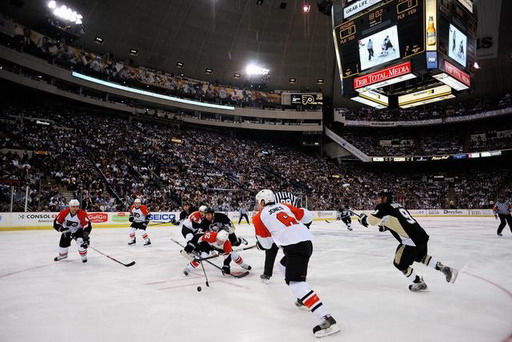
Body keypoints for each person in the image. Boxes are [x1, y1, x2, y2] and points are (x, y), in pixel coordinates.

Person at [252, 189, 340, 338]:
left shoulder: (258, 217)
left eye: (258, 203)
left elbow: (267, 245)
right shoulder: (284, 205)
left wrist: (260, 244)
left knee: (296, 283)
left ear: (262, 202)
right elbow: (307, 216)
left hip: (294, 247)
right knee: (282, 266)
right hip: (307, 242)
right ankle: (304, 299)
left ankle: (326, 319)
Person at [358, 190, 458, 292]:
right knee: (421, 257)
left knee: (399, 264)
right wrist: (386, 227)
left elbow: (371, 221)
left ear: (385, 198)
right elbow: (398, 220)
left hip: (410, 240)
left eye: (379, 197)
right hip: (421, 236)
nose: (377, 200)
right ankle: (444, 268)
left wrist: (363, 219)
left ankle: (419, 282)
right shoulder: (397, 205)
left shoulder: (383, 207)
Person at [260, 191, 304, 283]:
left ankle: (267, 274)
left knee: (271, 252)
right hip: (292, 230)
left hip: (277, 232)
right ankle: (297, 273)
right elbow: (299, 212)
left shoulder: (274, 197)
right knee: (293, 251)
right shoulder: (292, 197)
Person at [181, 230, 251, 276]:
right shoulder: (211, 236)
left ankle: (243, 264)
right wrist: (191, 245)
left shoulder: (227, 245)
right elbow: (198, 236)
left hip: (220, 249)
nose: (218, 242)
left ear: (225, 240)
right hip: (207, 245)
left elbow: (227, 257)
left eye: (221, 241)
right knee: (202, 256)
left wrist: (226, 266)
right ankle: (188, 268)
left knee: (233, 254)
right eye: (217, 239)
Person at [53, 199, 92, 263]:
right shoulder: (64, 213)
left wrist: (85, 236)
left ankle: (84, 256)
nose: (75, 208)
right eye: (73, 207)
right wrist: (62, 229)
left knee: (81, 242)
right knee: (63, 245)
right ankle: (63, 255)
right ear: (69, 206)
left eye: (77, 207)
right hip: (67, 231)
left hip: (79, 231)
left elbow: (87, 225)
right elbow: (56, 223)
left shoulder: (82, 213)